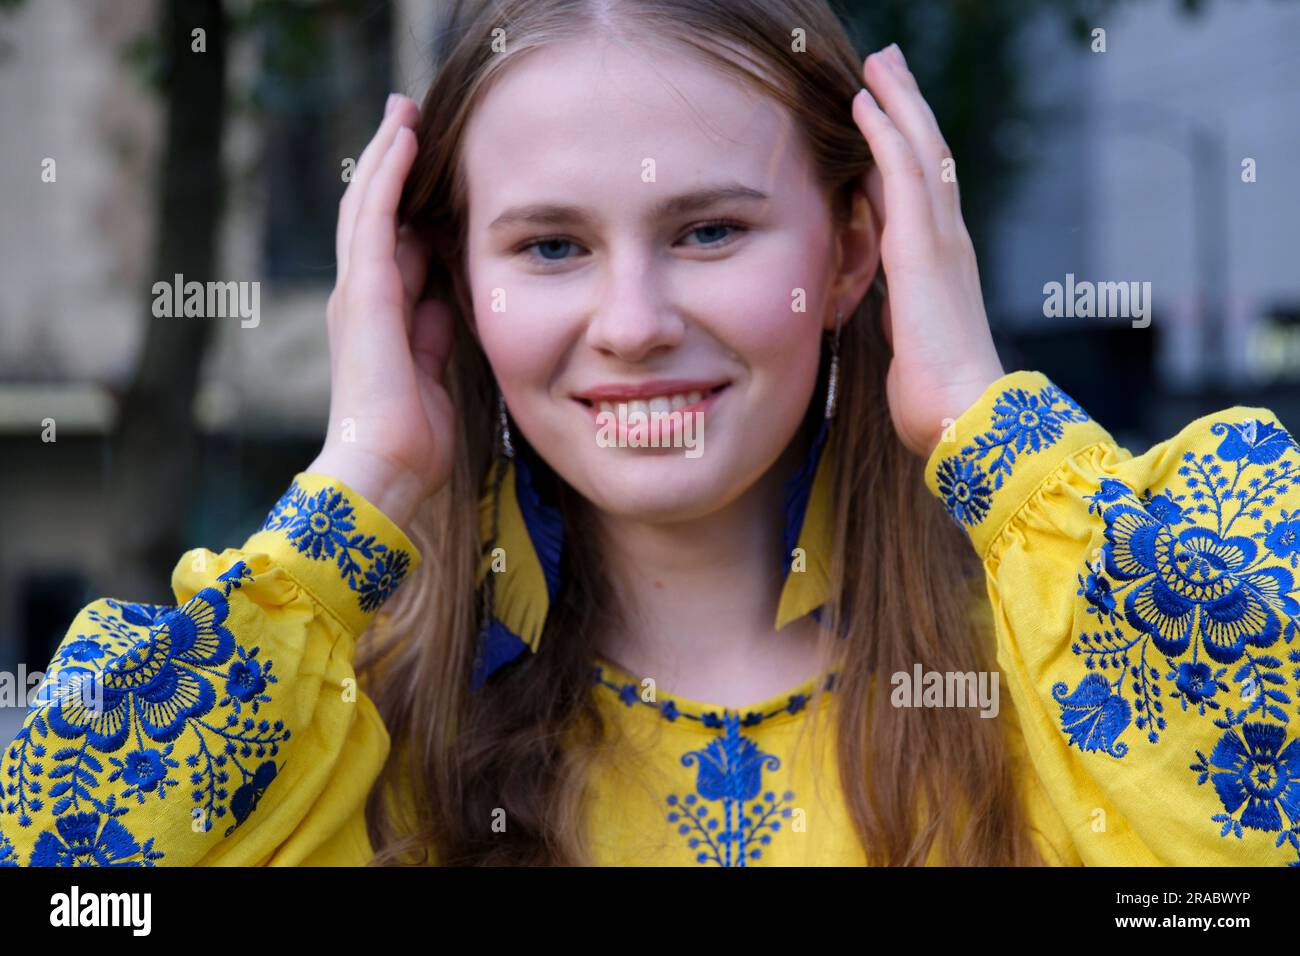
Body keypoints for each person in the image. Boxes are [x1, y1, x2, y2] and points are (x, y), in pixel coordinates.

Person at [3, 0, 1297, 867]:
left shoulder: (1070, 672)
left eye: (710, 232)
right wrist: (363, 477)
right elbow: (61, 863)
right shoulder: (351, 737)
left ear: (858, 243)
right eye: (551, 246)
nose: (631, 324)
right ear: (444, 279)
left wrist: (978, 413)